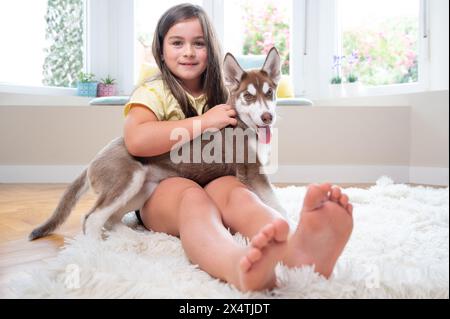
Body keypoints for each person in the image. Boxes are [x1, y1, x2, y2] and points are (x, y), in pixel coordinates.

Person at [123, 3, 353, 292]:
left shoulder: (225, 89)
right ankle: (235, 264)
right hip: (161, 185)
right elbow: (136, 140)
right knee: (193, 202)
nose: (189, 51)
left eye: (199, 43)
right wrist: (204, 122)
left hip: (214, 178)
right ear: (160, 48)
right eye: (177, 42)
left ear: (212, 48)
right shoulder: (155, 90)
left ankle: (296, 249)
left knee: (240, 196)